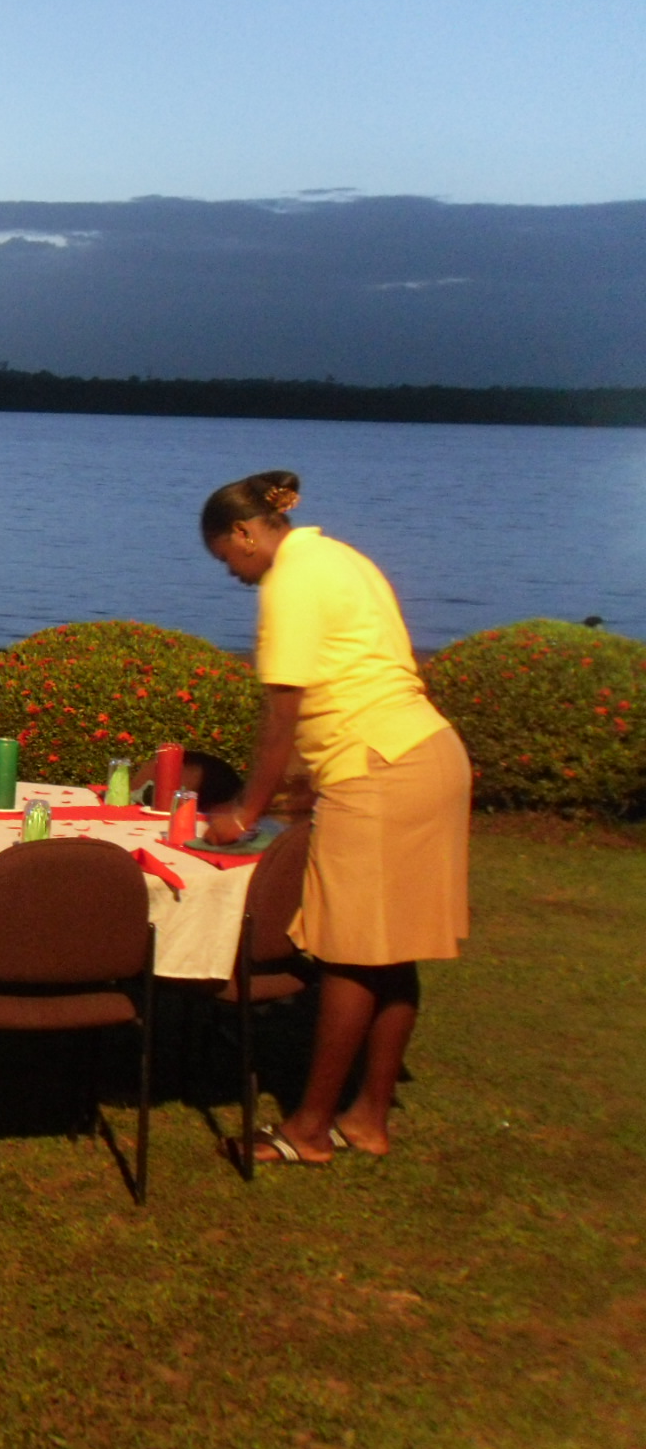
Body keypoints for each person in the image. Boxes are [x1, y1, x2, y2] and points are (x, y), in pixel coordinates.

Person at [201, 470, 470, 1166]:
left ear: (243, 532)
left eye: (228, 558)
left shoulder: (289, 580)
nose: (234, 574)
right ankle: (369, 1119)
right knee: (391, 950)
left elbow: (282, 714)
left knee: (349, 953)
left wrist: (244, 810)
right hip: (428, 751)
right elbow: (360, 673)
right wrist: (314, 785)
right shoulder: (342, 559)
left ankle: (308, 1128)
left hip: (378, 766)